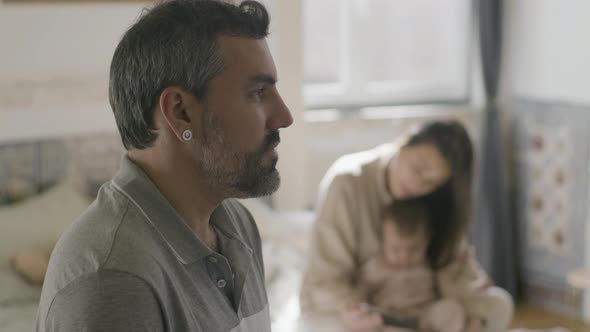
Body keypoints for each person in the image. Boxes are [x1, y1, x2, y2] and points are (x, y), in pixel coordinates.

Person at [36, 1, 292, 331]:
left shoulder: (238, 224)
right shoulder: (113, 279)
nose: (284, 117)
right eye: (258, 92)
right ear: (180, 111)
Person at [300, 120, 513, 332]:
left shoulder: (437, 200)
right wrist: (354, 309)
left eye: (433, 183)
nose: (419, 184)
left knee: (499, 304)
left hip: (419, 307)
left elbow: (454, 267)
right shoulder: (347, 181)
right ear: (403, 143)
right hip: (361, 306)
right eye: (419, 169)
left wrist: (472, 314)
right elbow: (325, 278)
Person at [358, 199, 465, 332]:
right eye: (396, 249)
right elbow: (362, 291)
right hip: (391, 317)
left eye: (414, 249)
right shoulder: (376, 267)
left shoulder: (430, 264)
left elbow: (449, 285)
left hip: (424, 315)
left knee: (452, 309)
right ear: (383, 242)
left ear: (427, 240)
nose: (404, 257)